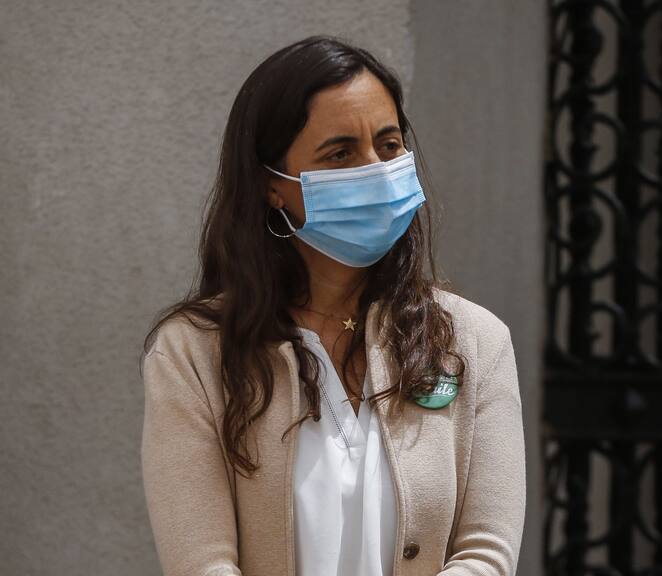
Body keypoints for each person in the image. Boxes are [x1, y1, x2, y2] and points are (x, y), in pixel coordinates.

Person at [140, 35, 525, 576]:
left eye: (389, 146)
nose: (375, 169)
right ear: (273, 186)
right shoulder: (194, 354)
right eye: (340, 153)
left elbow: (486, 554)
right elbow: (200, 562)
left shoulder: (475, 341)